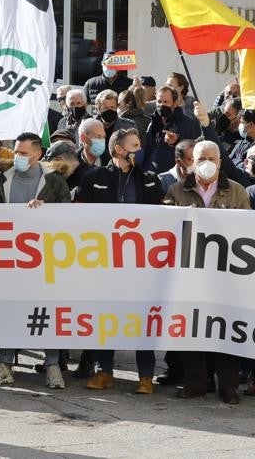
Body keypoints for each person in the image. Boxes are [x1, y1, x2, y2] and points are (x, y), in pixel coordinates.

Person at [74, 128, 163, 394]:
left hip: (142, 263)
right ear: (119, 150)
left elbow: (164, 215)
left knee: (143, 318)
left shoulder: (149, 179)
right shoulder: (93, 178)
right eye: (135, 145)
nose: (140, 149)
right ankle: (104, 371)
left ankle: (146, 376)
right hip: (104, 261)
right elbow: (77, 215)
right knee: (106, 316)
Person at [0, 133, 71, 389]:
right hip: (11, 259)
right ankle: (5, 365)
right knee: (10, 310)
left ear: (37, 154)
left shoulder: (54, 181)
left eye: (22, 153)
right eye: (15, 152)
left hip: (46, 259)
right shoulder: (4, 177)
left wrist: (48, 208)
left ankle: (53, 366)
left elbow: (70, 211)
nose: (17, 157)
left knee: (47, 311)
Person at [167, 140, 249, 403]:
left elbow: (248, 231)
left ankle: (228, 387)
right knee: (192, 329)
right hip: (189, 274)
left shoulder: (236, 192)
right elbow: (165, 228)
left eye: (211, 158)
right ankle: (195, 384)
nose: (206, 163)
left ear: (220, 162)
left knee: (225, 329)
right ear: (191, 162)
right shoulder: (176, 190)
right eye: (200, 158)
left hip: (226, 274)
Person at [142, 86, 201, 174]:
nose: (162, 105)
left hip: (174, 176)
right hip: (150, 175)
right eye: (159, 101)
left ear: (175, 103)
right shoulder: (149, 122)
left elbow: (196, 150)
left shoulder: (189, 124)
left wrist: (177, 141)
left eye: (166, 102)